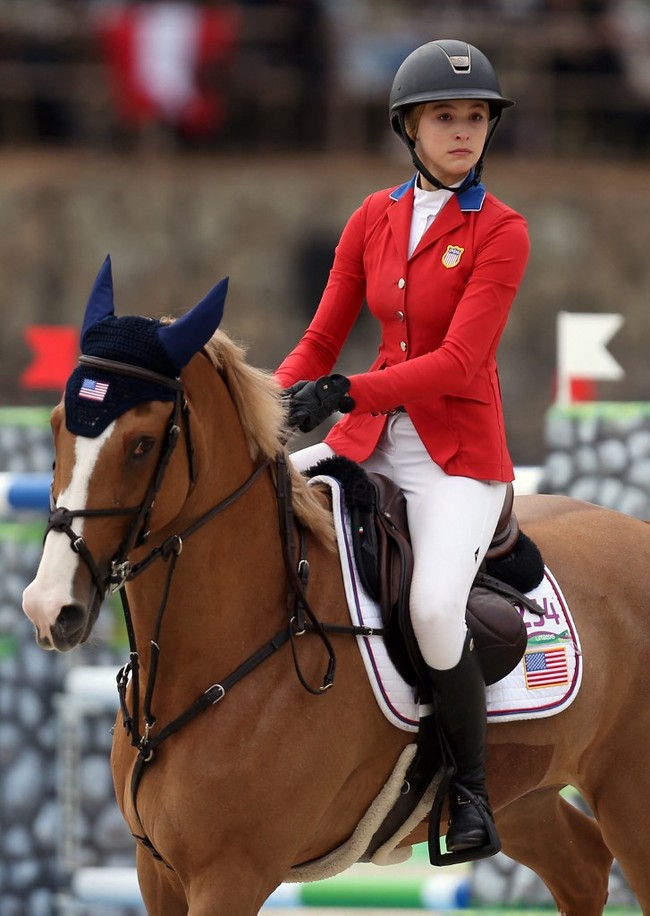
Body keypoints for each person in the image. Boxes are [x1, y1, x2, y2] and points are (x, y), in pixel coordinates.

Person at [276, 39, 530, 858]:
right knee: (257, 500)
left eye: (476, 117)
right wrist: (270, 406)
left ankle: (470, 792)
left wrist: (348, 390)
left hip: (458, 459)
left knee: (431, 609)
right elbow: (320, 339)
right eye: (445, 117)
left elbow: (459, 361)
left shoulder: (501, 230)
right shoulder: (372, 217)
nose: (463, 132)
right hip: (371, 442)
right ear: (409, 128)